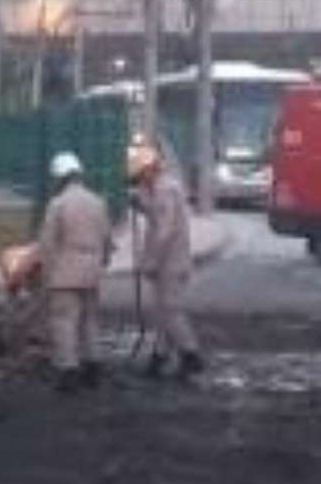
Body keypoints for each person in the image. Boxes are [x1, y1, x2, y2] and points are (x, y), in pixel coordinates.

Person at [127, 141, 204, 380]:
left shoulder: (165, 190)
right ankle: (159, 357)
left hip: (171, 261)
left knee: (171, 311)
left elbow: (165, 229)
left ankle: (191, 354)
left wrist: (151, 260)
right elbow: (155, 214)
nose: (140, 180)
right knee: (163, 312)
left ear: (151, 169)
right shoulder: (157, 188)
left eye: (141, 175)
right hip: (167, 260)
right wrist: (140, 203)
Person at [37, 151, 112, 391]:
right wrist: (102, 263)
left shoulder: (57, 204)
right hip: (92, 271)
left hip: (64, 271)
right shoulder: (98, 202)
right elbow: (107, 238)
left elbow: (48, 243)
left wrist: (47, 273)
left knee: (64, 321)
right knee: (90, 319)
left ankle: (69, 371)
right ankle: (94, 367)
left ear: (60, 178)